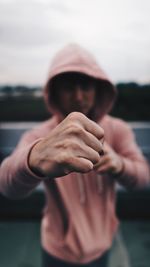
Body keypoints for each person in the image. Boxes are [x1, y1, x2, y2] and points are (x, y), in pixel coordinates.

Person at [0, 44, 149, 267]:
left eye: (86, 86)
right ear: (55, 92)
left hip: (102, 243)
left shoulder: (118, 130)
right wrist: (32, 159)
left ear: (99, 89)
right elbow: (6, 185)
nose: (79, 96)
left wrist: (120, 165)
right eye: (69, 87)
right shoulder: (41, 134)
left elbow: (144, 179)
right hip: (58, 249)